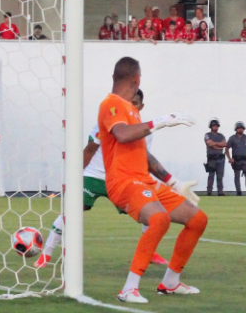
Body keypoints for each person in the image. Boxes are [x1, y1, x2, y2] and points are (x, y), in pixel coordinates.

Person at [97, 57, 205, 303]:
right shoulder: (110, 104)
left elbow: (142, 154)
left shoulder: (132, 110)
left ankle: (170, 282)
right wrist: (162, 122)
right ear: (137, 80)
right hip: (123, 182)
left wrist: (173, 182)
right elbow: (122, 135)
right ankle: (129, 289)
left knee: (197, 220)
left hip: (143, 180)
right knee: (159, 219)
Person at [36, 89, 173, 269]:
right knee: (71, 212)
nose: (131, 106)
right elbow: (90, 150)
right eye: (128, 103)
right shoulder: (106, 124)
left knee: (150, 214)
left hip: (121, 179)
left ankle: (150, 253)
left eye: (135, 103)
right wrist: (74, 177)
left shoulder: (146, 131)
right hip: (93, 176)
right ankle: (46, 254)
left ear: (141, 106)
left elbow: (141, 159)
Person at [226, 122, 246, 196]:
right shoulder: (232, 138)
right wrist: (230, 158)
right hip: (236, 159)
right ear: (236, 129)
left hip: (245, 159)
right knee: (237, 176)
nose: (240, 129)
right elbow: (227, 148)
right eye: (239, 128)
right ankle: (238, 192)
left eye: (241, 128)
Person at [204, 118, 227, 196]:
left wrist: (215, 144)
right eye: (214, 126)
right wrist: (219, 145)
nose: (215, 127)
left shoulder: (221, 135)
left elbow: (224, 144)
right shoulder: (207, 135)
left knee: (220, 176)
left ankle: (220, 192)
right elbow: (209, 143)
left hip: (220, 158)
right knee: (211, 176)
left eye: (216, 126)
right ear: (211, 126)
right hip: (211, 159)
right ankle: (209, 192)